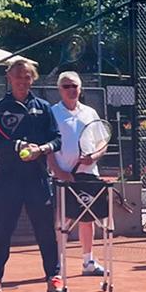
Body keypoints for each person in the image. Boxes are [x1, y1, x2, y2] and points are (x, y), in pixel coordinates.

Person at [0, 57, 64, 292]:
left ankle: (53, 278)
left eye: (27, 77)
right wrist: (16, 145)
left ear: (32, 79)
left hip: (37, 180)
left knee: (46, 231)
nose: (22, 81)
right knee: (2, 231)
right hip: (8, 180)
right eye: (18, 76)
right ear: (9, 78)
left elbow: (57, 140)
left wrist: (41, 149)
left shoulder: (43, 108)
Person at [48, 71, 108, 277]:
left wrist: (94, 156)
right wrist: (59, 172)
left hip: (89, 175)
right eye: (67, 86)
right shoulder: (52, 113)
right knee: (61, 221)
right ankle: (57, 265)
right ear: (60, 90)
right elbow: (48, 148)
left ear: (80, 89)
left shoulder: (90, 113)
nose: (71, 90)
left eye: (75, 86)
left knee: (87, 219)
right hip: (63, 177)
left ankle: (88, 261)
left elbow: (102, 142)